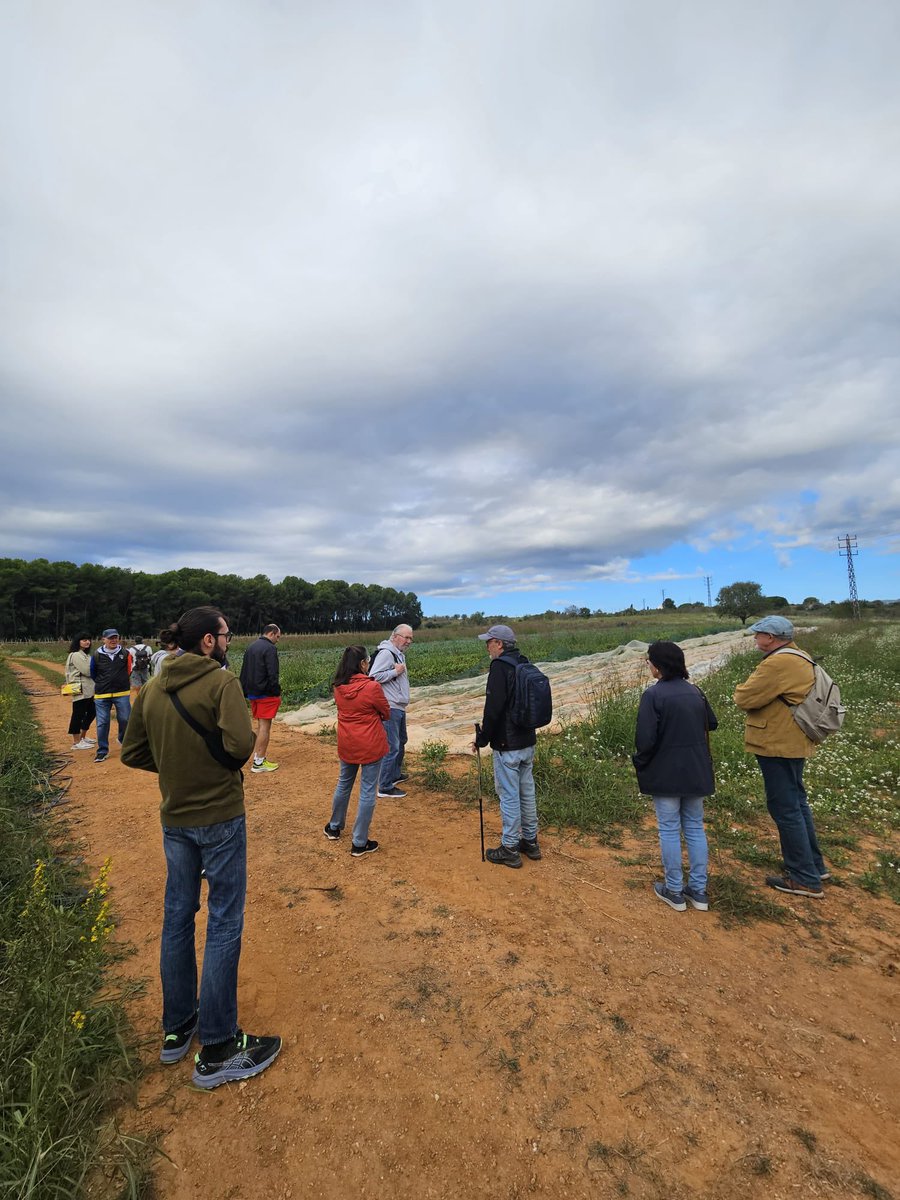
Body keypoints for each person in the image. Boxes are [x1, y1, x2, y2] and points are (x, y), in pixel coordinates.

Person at [121, 606, 281, 1088]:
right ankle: (218, 1045)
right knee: (225, 918)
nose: (230, 641)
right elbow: (238, 747)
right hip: (220, 816)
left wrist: (175, 770)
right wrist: (210, 765)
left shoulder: (151, 687)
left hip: (175, 819)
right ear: (208, 642)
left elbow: (132, 752)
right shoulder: (220, 683)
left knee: (177, 917)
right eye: (226, 635)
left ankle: (177, 1030)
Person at [733, 615, 828, 899]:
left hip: (778, 743)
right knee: (797, 803)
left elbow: (744, 697)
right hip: (794, 740)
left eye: (758, 634)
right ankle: (815, 866)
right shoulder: (800, 655)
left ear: (771, 637)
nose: (754, 638)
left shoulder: (778, 662)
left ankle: (804, 878)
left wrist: (740, 689)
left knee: (785, 808)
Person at [632, 641, 718, 912]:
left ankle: (674, 889)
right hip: (696, 771)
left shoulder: (653, 695)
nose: (648, 666)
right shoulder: (696, 692)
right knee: (694, 827)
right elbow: (711, 723)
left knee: (669, 829)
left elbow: (645, 740)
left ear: (657, 666)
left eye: (649, 662)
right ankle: (699, 891)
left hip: (666, 772)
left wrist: (641, 762)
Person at [471, 624, 540, 869]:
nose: (487, 646)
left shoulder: (500, 667)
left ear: (499, 644)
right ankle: (530, 841)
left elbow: (494, 708)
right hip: (527, 740)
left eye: (489, 642)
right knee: (527, 792)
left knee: (509, 796)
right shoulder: (523, 663)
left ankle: (510, 846)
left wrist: (483, 738)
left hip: (507, 743)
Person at [323, 646, 389, 857]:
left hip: (348, 742)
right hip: (370, 744)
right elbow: (385, 712)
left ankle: (334, 827)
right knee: (368, 790)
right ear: (362, 664)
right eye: (367, 661)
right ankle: (359, 841)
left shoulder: (338, 686)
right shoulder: (372, 688)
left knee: (344, 783)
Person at [369, 624, 414, 798]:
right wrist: (394, 672)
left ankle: (394, 775)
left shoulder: (397, 653)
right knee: (392, 746)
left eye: (411, 638)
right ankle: (385, 786)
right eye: (406, 637)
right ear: (395, 636)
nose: (408, 641)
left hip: (399, 706)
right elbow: (373, 676)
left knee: (401, 740)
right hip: (390, 706)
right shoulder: (386, 653)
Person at [239, 624, 282, 773]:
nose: (278, 640)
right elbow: (273, 673)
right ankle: (259, 762)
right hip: (266, 693)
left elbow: (244, 670)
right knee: (265, 726)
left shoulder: (251, 647)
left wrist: (244, 690)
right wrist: (276, 691)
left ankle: (258, 756)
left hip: (253, 693)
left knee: (260, 725)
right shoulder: (270, 648)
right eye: (277, 636)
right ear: (271, 633)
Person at [90, 629, 132, 763]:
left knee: (125, 719)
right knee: (102, 723)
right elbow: (93, 673)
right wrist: (103, 683)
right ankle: (102, 750)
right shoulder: (96, 655)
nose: (113, 640)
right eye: (110, 638)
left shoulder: (125, 653)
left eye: (115, 638)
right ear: (103, 639)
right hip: (102, 694)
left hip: (122, 692)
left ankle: (122, 739)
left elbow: (129, 670)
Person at [64, 633, 96, 749]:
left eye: (89, 640)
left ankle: (83, 737)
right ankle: (76, 742)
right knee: (78, 714)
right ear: (78, 641)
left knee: (92, 711)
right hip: (80, 688)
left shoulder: (85, 655)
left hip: (88, 689)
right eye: (84, 640)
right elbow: (87, 670)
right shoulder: (76, 655)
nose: (87, 642)